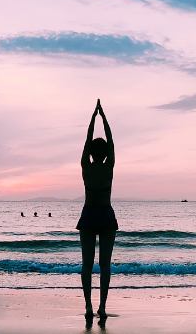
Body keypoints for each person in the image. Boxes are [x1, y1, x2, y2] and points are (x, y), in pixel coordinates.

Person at [76, 98, 117, 320]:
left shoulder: (86, 167)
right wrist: (104, 118)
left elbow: (86, 142)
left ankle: (89, 306)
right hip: (106, 215)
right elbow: (111, 142)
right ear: (104, 154)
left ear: (91, 153)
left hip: (90, 214)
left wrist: (93, 118)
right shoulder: (109, 167)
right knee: (104, 265)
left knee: (87, 264)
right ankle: (101, 306)